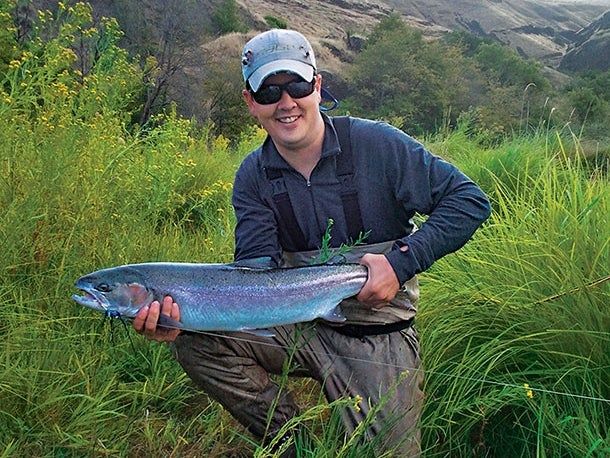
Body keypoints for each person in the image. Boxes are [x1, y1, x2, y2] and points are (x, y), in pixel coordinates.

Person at [133, 29, 491, 456]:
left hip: (376, 333)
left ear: (318, 86)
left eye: (297, 86)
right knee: (197, 340)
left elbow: (469, 202)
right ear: (251, 103)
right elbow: (255, 271)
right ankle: (296, 444)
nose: (286, 103)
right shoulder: (253, 176)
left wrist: (400, 263)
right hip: (297, 327)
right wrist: (183, 317)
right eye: (268, 91)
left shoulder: (378, 146)